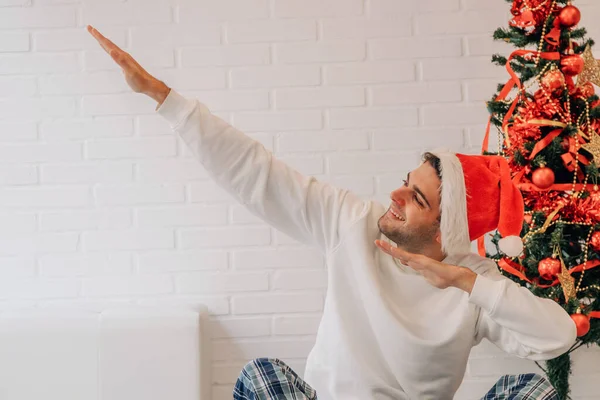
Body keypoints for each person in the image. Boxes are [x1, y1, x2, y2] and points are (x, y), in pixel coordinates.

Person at [88, 25, 576, 400]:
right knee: (261, 378)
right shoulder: (353, 223)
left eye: (417, 199)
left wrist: (466, 283)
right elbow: (256, 174)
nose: (396, 196)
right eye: (407, 184)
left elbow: (556, 337)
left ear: (445, 231)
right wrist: (162, 97)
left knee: (531, 390)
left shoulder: (473, 284)